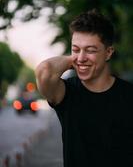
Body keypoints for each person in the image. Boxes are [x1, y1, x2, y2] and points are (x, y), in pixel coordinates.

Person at [35, 9, 133, 167]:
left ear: (108, 53)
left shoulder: (129, 95)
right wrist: (74, 59)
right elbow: (44, 71)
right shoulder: (66, 93)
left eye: (90, 50)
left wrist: (80, 56)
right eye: (76, 49)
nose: (81, 58)